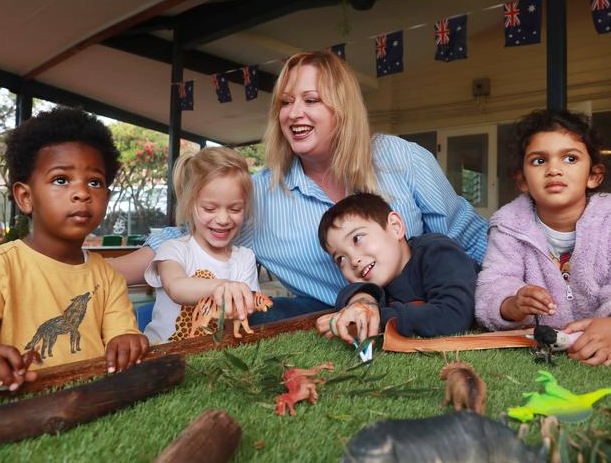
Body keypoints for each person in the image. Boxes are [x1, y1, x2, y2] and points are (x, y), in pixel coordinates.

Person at [109, 51, 487, 323]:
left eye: (311, 100)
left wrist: (507, 300)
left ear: (344, 109)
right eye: (286, 103)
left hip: (440, 318)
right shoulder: (259, 197)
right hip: (342, 323)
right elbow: (182, 241)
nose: (293, 113)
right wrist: (88, 270)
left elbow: (467, 238)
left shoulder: (403, 159)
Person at [0, 107, 149, 394]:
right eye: (61, 179)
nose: (82, 192)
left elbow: (123, 334)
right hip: (19, 407)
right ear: (25, 197)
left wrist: (128, 342)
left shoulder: (106, 277)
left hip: (94, 402)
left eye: (95, 182)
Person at [475, 109, 611, 366]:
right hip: (539, 346)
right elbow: (493, 284)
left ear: (593, 175)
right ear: (522, 180)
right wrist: (511, 304)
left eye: (570, 158)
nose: (554, 170)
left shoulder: (608, 221)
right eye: (539, 161)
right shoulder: (507, 227)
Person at [315, 193, 477, 344]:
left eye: (357, 238)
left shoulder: (437, 251)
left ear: (395, 227)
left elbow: (454, 316)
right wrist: (360, 304)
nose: (353, 261)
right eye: (340, 258)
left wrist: (378, 319)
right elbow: (356, 291)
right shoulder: (379, 284)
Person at [143, 147, 259, 343]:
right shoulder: (173, 249)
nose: (223, 219)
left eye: (235, 209)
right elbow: (176, 287)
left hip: (215, 355)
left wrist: (237, 310)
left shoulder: (245, 258)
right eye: (210, 208)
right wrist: (222, 287)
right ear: (189, 205)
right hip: (162, 352)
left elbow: (238, 324)